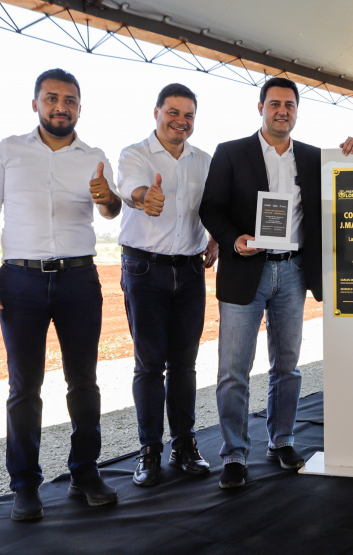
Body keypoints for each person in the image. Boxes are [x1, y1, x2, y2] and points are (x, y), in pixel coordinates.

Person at [0, 68, 122, 521]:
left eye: (70, 100)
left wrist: (105, 198)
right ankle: (24, 485)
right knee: (24, 387)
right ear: (35, 103)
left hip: (78, 279)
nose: (61, 107)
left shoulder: (93, 156)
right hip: (21, 282)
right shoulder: (8, 151)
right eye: (52, 98)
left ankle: (85, 471)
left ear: (79, 107)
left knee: (84, 382)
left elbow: (111, 209)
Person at [199, 77, 353, 489]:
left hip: (292, 271)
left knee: (286, 367)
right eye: (274, 104)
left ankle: (281, 440)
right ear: (260, 108)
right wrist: (234, 240)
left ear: (296, 111)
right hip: (245, 271)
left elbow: (348, 182)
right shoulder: (231, 152)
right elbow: (211, 207)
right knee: (234, 370)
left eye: (290, 105)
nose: (282, 111)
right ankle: (235, 453)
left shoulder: (312, 158)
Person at [116, 83, 218, 487]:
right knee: (149, 364)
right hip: (145, 271)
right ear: (156, 112)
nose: (181, 122)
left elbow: (214, 206)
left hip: (191, 272)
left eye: (189, 115)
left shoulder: (204, 160)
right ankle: (149, 450)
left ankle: (184, 444)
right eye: (173, 113)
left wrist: (215, 238)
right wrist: (146, 198)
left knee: (185, 365)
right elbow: (131, 188)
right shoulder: (135, 154)